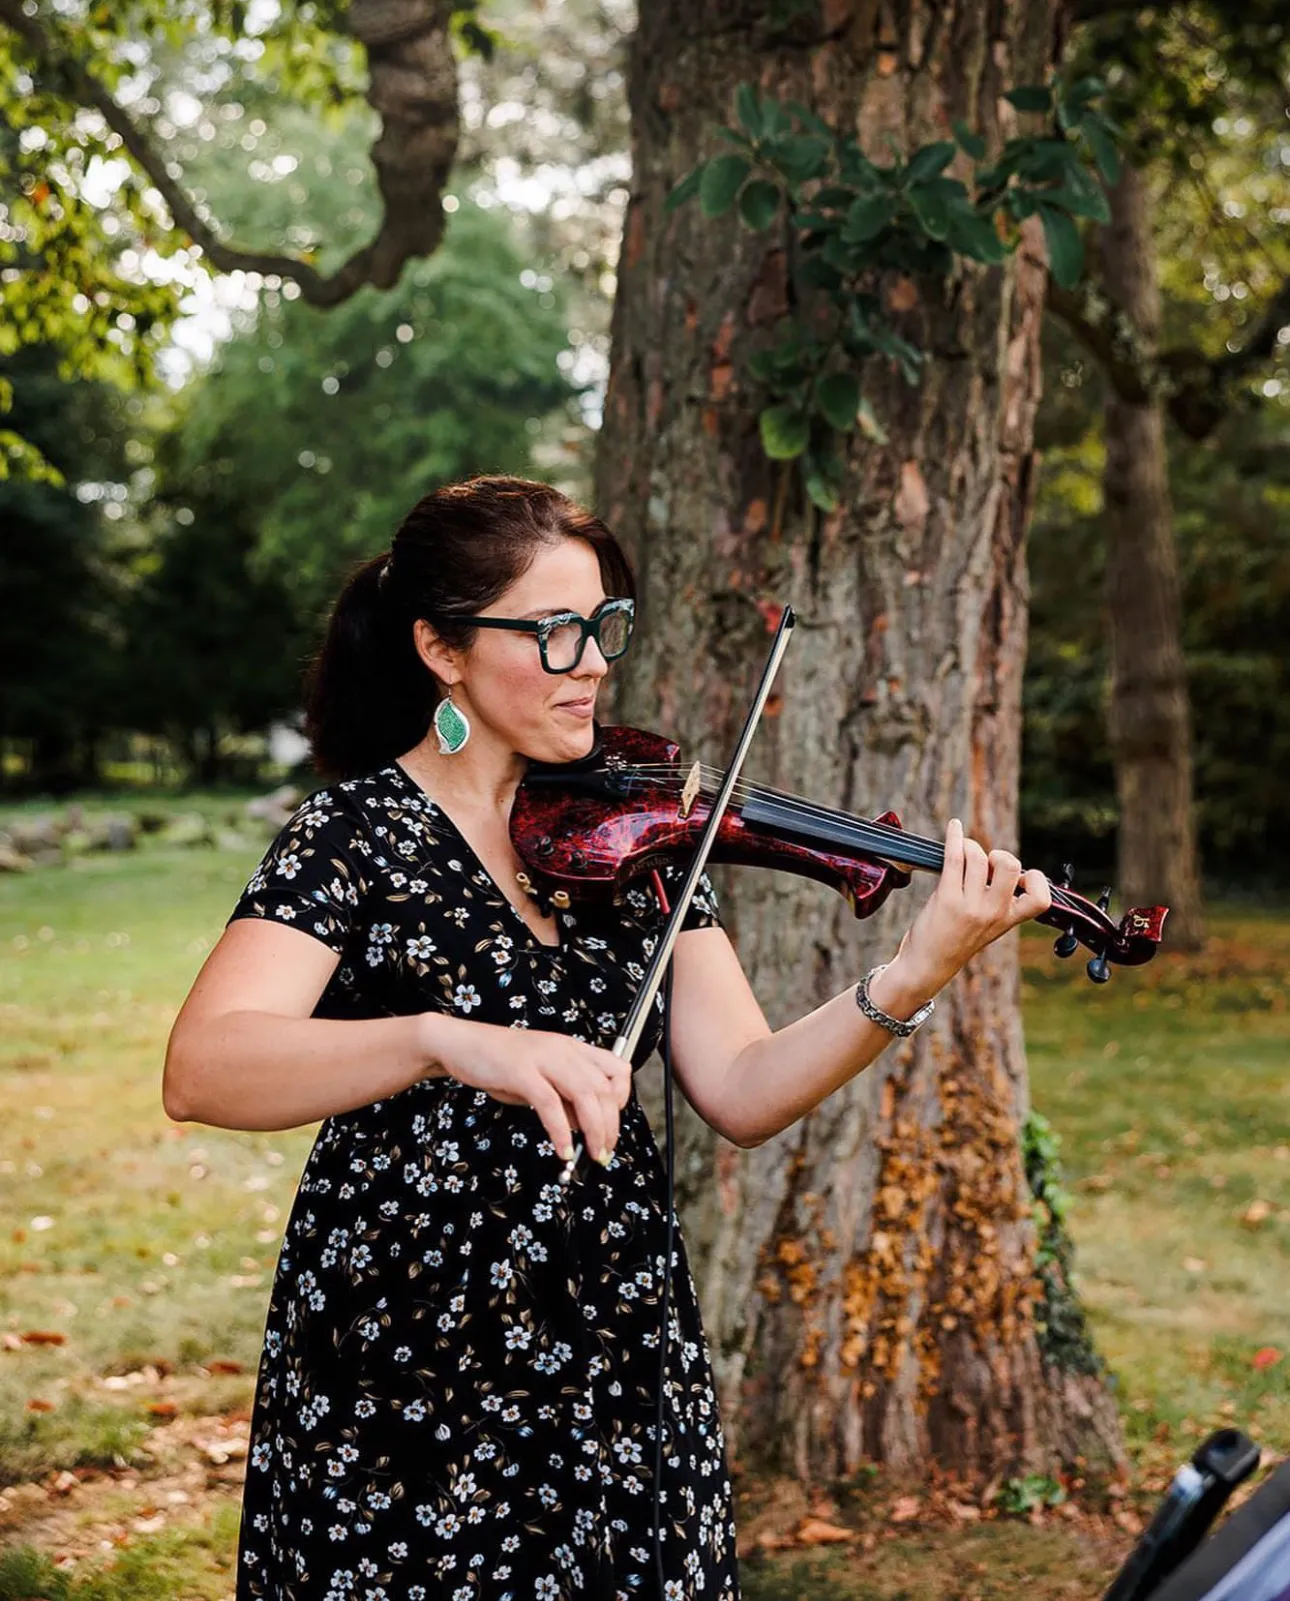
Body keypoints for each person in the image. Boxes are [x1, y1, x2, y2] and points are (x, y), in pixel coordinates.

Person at [162, 474, 1051, 1601]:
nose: (590, 663)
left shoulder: (634, 836)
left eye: (603, 626)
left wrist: (917, 969)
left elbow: (745, 1086)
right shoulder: (353, 834)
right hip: (408, 1341)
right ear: (442, 649)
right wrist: (442, 1038)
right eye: (553, 632)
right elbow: (204, 1067)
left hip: (615, 1328)